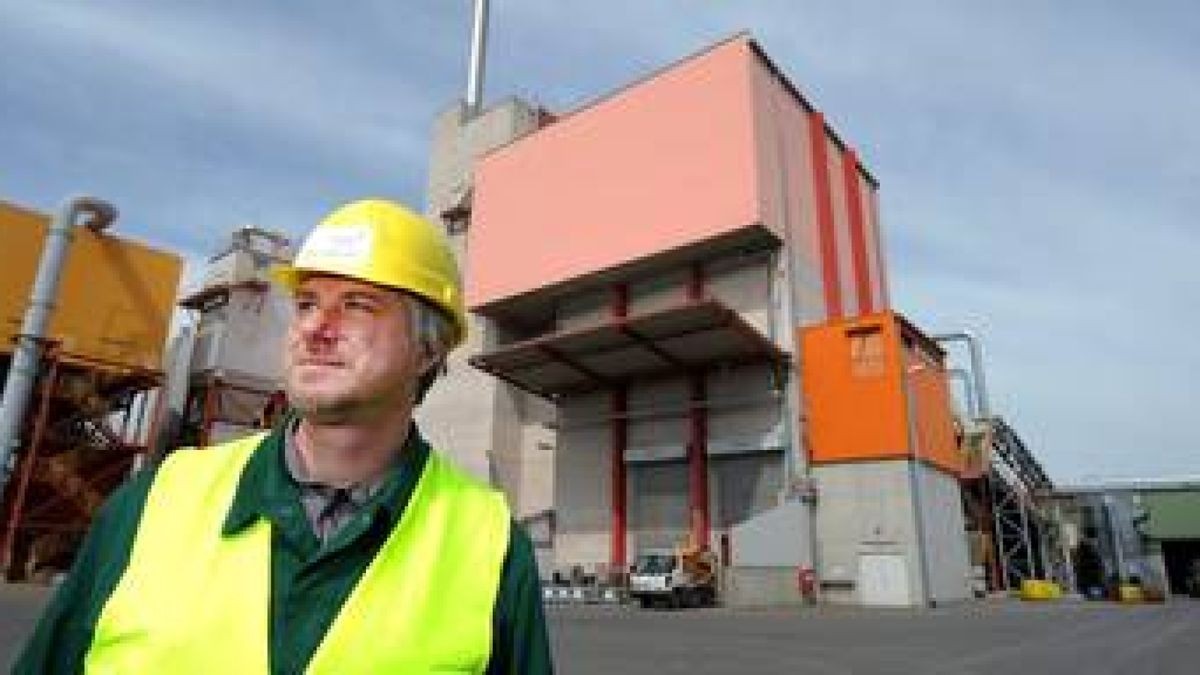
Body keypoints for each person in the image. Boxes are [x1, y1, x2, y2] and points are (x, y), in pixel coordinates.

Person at [16, 199, 553, 673]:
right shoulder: (153, 503)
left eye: (357, 305)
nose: (316, 328)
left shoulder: (492, 548)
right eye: (306, 304)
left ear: (428, 349)